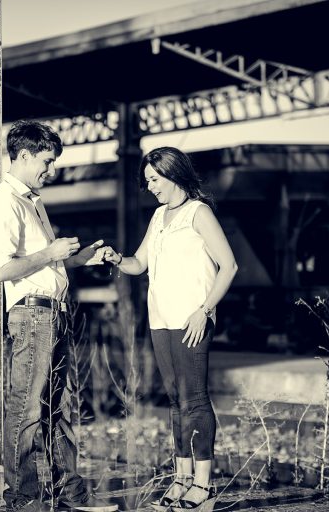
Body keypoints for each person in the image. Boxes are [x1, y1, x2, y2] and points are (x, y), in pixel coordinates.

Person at [0, 120, 118, 512]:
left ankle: (68, 495)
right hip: (32, 317)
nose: (51, 169)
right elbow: (1, 270)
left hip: (52, 315)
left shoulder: (32, 201)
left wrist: (78, 259)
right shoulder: (4, 203)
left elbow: (42, 267)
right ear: (23, 155)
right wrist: (52, 253)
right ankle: (22, 497)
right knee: (26, 408)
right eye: (46, 160)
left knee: (60, 411)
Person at [104, 147, 237, 512]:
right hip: (161, 319)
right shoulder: (159, 217)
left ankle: (203, 485)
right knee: (176, 401)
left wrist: (205, 310)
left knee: (194, 399)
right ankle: (181, 479)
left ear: (172, 173)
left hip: (191, 319)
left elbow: (229, 265)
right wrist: (117, 258)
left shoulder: (199, 213)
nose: (150, 187)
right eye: (146, 181)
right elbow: (139, 263)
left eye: (154, 180)